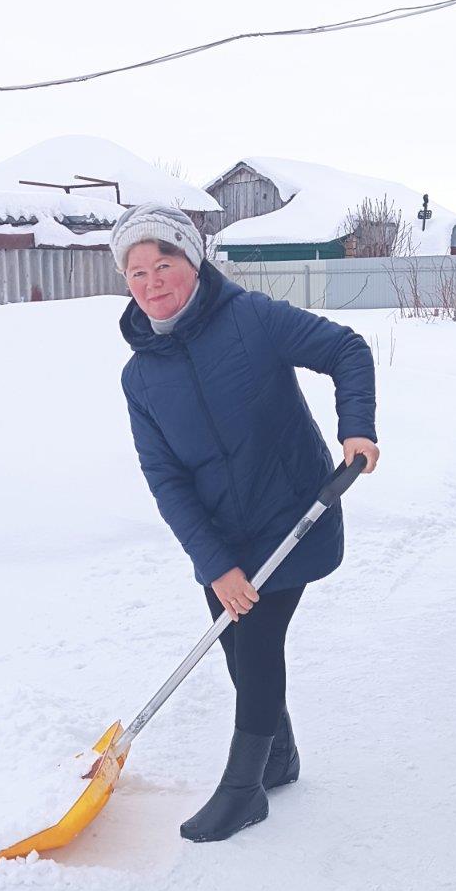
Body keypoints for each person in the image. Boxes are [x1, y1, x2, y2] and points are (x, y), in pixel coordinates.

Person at [114, 204, 378, 843]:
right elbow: (166, 479)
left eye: (164, 263)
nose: (153, 282)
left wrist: (357, 429)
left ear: (192, 261)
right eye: (137, 271)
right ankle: (279, 759)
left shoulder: (251, 319)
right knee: (233, 641)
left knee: (256, 645)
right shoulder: (141, 375)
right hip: (221, 537)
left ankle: (244, 789)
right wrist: (216, 564)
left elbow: (346, 348)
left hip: (294, 516)